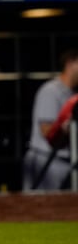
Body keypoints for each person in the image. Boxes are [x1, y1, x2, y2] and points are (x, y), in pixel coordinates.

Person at [23, 49, 78, 190]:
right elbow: (47, 131)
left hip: (66, 162)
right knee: (39, 208)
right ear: (70, 63)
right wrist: (67, 127)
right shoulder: (51, 91)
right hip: (46, 162)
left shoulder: (72, 94)